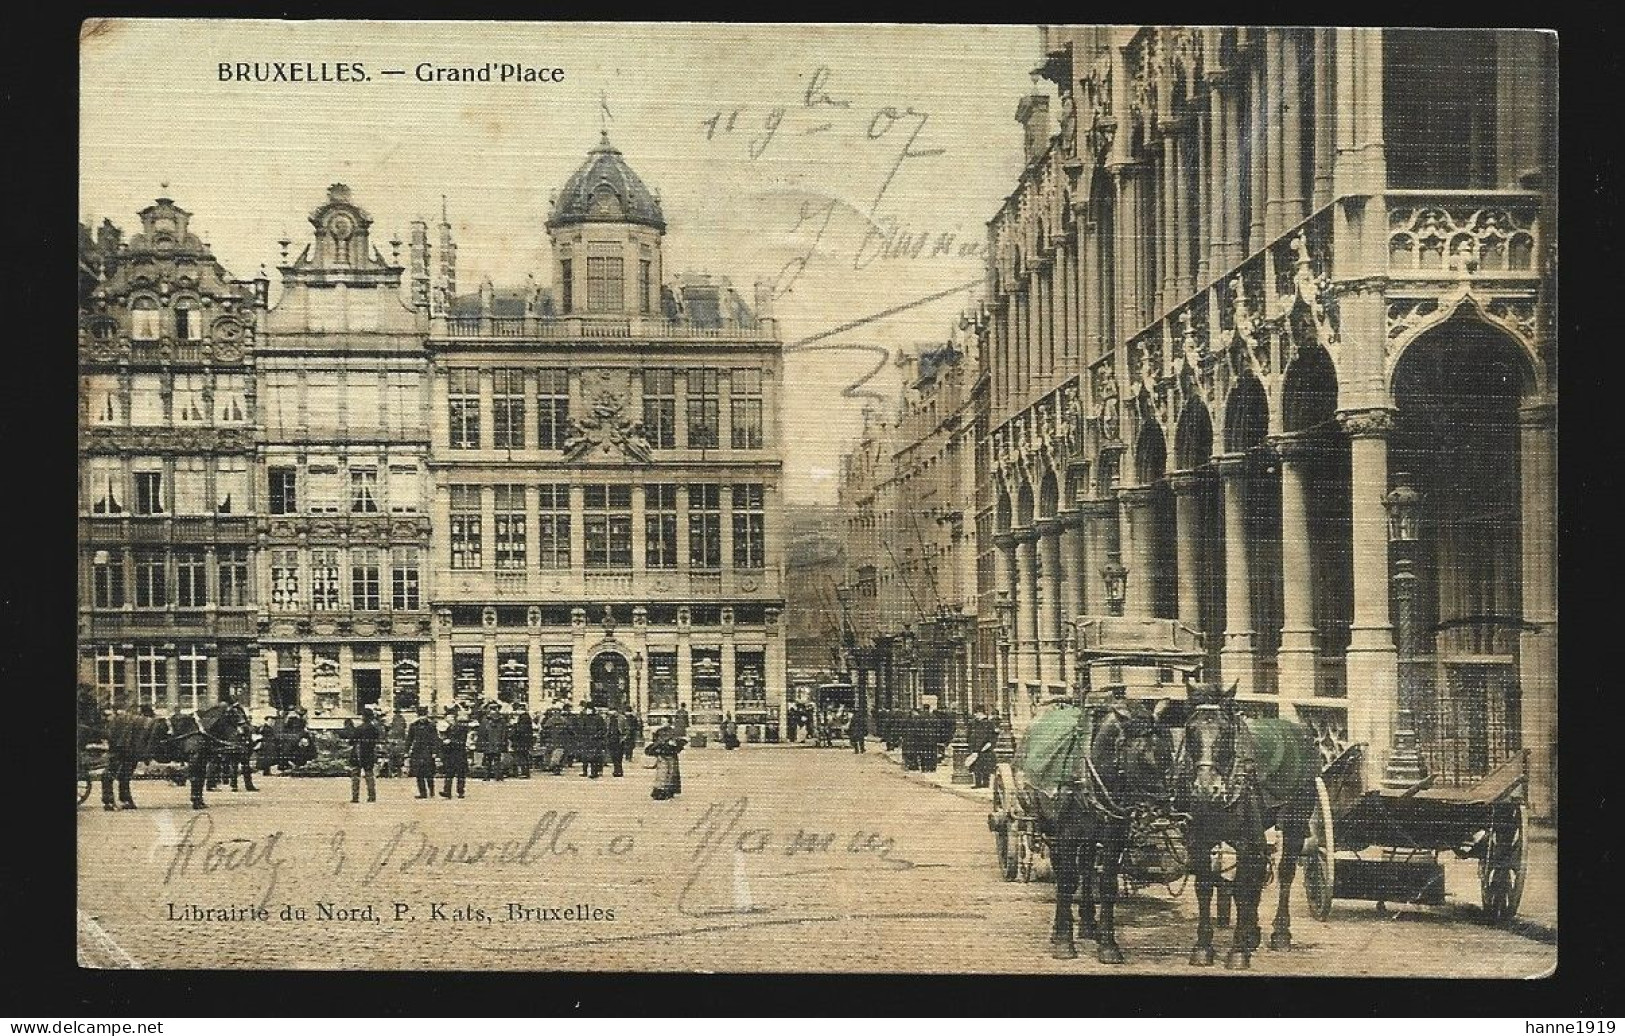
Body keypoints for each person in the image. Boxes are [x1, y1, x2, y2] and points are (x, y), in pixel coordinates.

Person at [342, 708, 380, 803]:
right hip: (369, 753)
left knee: (355, 775)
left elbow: (351, 741)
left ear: (363, 717)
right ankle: (372, 796)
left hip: (358, 754)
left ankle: (355, 797)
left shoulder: (359, 729)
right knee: (369, 775)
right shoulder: (374, 729)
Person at [645, 724, 686, 800]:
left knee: (665, 774)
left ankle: (662, 791)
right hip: (667, 756)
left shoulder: (667, 733)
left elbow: (652, 746)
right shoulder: (666, 733)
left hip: (666, 756)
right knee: (666, 774)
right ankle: (664, 791)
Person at [439, 706, 471, 799]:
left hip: (460, 753)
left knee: (461, 774)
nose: (449, 719)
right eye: (448, 718)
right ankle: (447, 791)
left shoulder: (461, 728)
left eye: (451, 718)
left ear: (454, 718)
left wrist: (450, 741)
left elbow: (462, 742)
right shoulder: (446, 729)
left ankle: (460, 791)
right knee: (449, 773)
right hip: (450, 755)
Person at [968, 710, 999, 789]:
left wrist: (976, 748)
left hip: (982, 748)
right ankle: (984, 783)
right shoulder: (985, 723)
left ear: (980, 713)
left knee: (978, 767)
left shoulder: (982, 723)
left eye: (976, 713)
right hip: (984, 748)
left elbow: (982, 737)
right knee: (984, 767)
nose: (975, 715)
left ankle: (979, 783)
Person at [478, 700, 507, 781]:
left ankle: (486, 776)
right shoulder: (502, 720)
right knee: (497, 760)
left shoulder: (485, 720)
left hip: (488, 743)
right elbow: (504, 733)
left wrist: (482, 743)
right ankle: (498, 776)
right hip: (498, 743)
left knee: (487, 760)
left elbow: (482, 732)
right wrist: (503, 742)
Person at [576, 703, 608, 778]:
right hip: (586, 739)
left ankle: (594, 772)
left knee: (594, 757)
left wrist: (597, 735)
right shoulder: (584, 718)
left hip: (595, 740)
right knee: (585, 757)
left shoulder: (598, 718)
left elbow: (603, 729)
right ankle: (585, 771)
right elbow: (581, 728)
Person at [539, 704, 570, 774]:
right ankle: (556, 767)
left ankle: (553, 767)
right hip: (559, 741)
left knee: (553, 754)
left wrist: (544, 737)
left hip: (554, 740)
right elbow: (569, 730)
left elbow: (545, 730)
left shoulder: (550, 721)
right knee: (559, 755)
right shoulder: (564, 720)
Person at [510, 708, 535, 778]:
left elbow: (511, 735)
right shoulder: (529, 727)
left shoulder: (517, 726)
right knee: (525, 757)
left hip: (518, 744)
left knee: (518, 758)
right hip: (526, 744)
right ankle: (526, 772)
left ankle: (517, 772)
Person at [386, 709, 408, 778]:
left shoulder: (394, 720)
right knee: (398, 758)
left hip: (396, 741)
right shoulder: (401, 719)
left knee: (393, 757)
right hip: (399, 741)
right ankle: (397, 772)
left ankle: (393, 772)